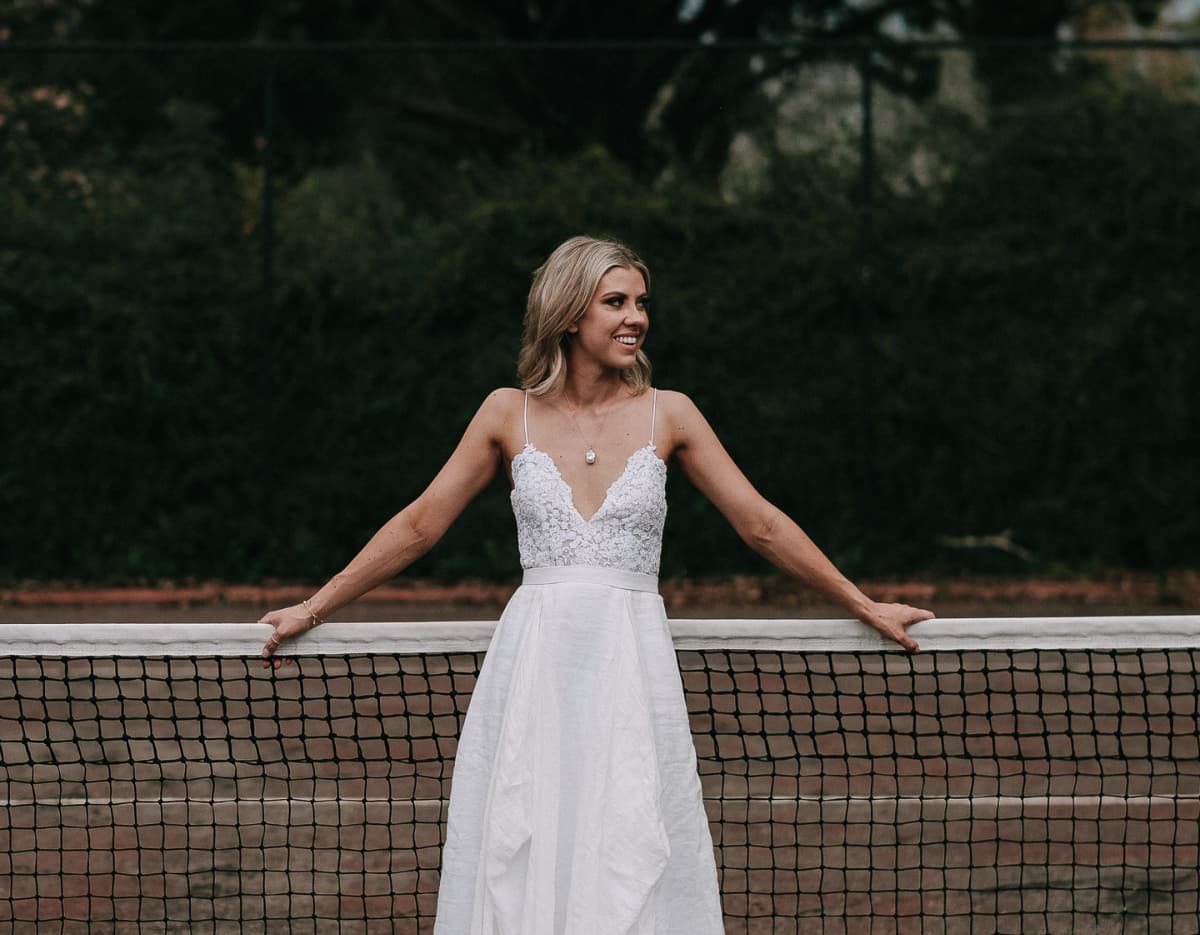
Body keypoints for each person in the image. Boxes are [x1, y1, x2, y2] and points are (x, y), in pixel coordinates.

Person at [259, 235, 934, 932]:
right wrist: (313, 607)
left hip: (631, 667)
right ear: (570, 312)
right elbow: (421, 525)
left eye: (641, 302)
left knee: (632, 833)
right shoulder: (503, 413)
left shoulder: (669, 413)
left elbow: (760, 523)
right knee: (528, 837)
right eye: (616, 301)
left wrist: (862, 601)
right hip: (536, 667)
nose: (635, 317)